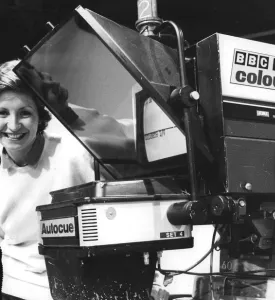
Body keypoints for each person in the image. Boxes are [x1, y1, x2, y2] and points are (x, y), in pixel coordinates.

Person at [0, 59, 169, 300]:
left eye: (25, 113)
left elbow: (135, 214)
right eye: (3, 113)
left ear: (40, 116)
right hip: (14, 286)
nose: (13, 125)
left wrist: (153, 284)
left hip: (75, 286)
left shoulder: (75, 154)